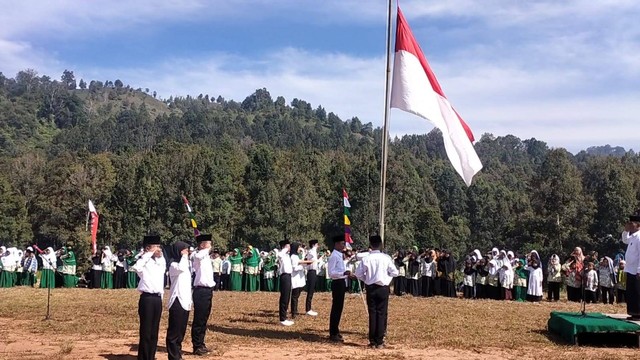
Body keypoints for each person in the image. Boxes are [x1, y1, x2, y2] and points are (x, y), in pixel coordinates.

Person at [355, 235, 398, 349]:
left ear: (370, 245)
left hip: (371, 288)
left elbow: (358, 274)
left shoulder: (366, 258)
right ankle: (379, 340)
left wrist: (367, 280)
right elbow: (395, 272)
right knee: (381, 313)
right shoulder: (386, 258)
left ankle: (372, 341)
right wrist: (387, 279)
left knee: (372, 314)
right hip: (383, 287)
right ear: (381, 244)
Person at [132, 235, 166, 360]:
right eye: (155, 246)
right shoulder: (143, 261)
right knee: (146, 330)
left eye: (159, 246)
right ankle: (144, 357)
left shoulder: (159, 262)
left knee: (154, 331)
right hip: (147, 298)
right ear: (148, 248)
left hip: (157, 298)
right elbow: (136, 267)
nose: (158, 249)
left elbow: (163, 265)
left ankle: (151, 356)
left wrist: (158, 254)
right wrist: (148, 253)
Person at [166, 241, 192, 360]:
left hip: (185, 299)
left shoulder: (186, 263)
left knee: (181, 329)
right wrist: (185, 256)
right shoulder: (173, 265)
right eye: (184, 249)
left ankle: (178, 353)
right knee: (174, 331)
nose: (187, 252)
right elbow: (181, 268)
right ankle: (173, 356)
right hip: (177, 299)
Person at [191, 233, 215, 356]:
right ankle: (196, 345)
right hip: (200, 291)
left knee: (204, 319)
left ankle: (201, 343)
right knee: (198, 319)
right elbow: (199, 255)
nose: (211, 246)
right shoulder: (197, 255)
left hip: (208, 290)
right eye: (208, 244)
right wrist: (205, 248)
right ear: (202, 245)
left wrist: (206, 248)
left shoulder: (206, 256)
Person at [328, 235, 349, 342]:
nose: (344, 245)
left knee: (339, 308)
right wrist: (343, 273)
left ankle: (336, 330)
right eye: (342, 243)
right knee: (336, 308)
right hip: (337, 283)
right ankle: (333, 332)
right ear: (336, 244)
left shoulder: (340, 255)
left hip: (342, 282)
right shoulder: (334, 256)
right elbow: (331, 273)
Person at [622, 213, 640, 320]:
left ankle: (639, 313)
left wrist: (639, 270)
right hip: (630, 269)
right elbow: (625, 240)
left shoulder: (639, 237)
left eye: (631, 224)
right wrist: (625, 230)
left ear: (638, 225)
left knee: (637, 292)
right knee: (631, 292)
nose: (630, 225)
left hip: (637, 270)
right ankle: (633, 312)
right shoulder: (633, 236)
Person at [290, 242, 313, 319]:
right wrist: (302, 266)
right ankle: (294, 313)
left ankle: (295, 311)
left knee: (297, 296)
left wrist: (305, 264)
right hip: (295, 278)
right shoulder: (293, 256)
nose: (299, 249)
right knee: (294, 297)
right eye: (298, 247)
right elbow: (294, 268)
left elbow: (300, 263)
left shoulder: (296, 256)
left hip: (299, 278)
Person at [277, 240, 294, 326]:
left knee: (287, 297)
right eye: (288, 246)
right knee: (284, 297)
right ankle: (282, 318)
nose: (290, 247)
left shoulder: (287, 255)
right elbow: (279, 255)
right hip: (284, 276)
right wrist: (285, 248)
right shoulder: (281, 254)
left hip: (288, 276)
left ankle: (285, 317)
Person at [305, 239, 320, 316]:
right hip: (311, 271)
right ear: (314, 245)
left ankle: (309, 308)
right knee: (310, 291)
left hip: (314, 271)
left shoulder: (314, 252)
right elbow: (307, 260)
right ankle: (308, 309)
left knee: (312, 290)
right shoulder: (311, 252)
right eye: (317, 244)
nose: (318, 246)